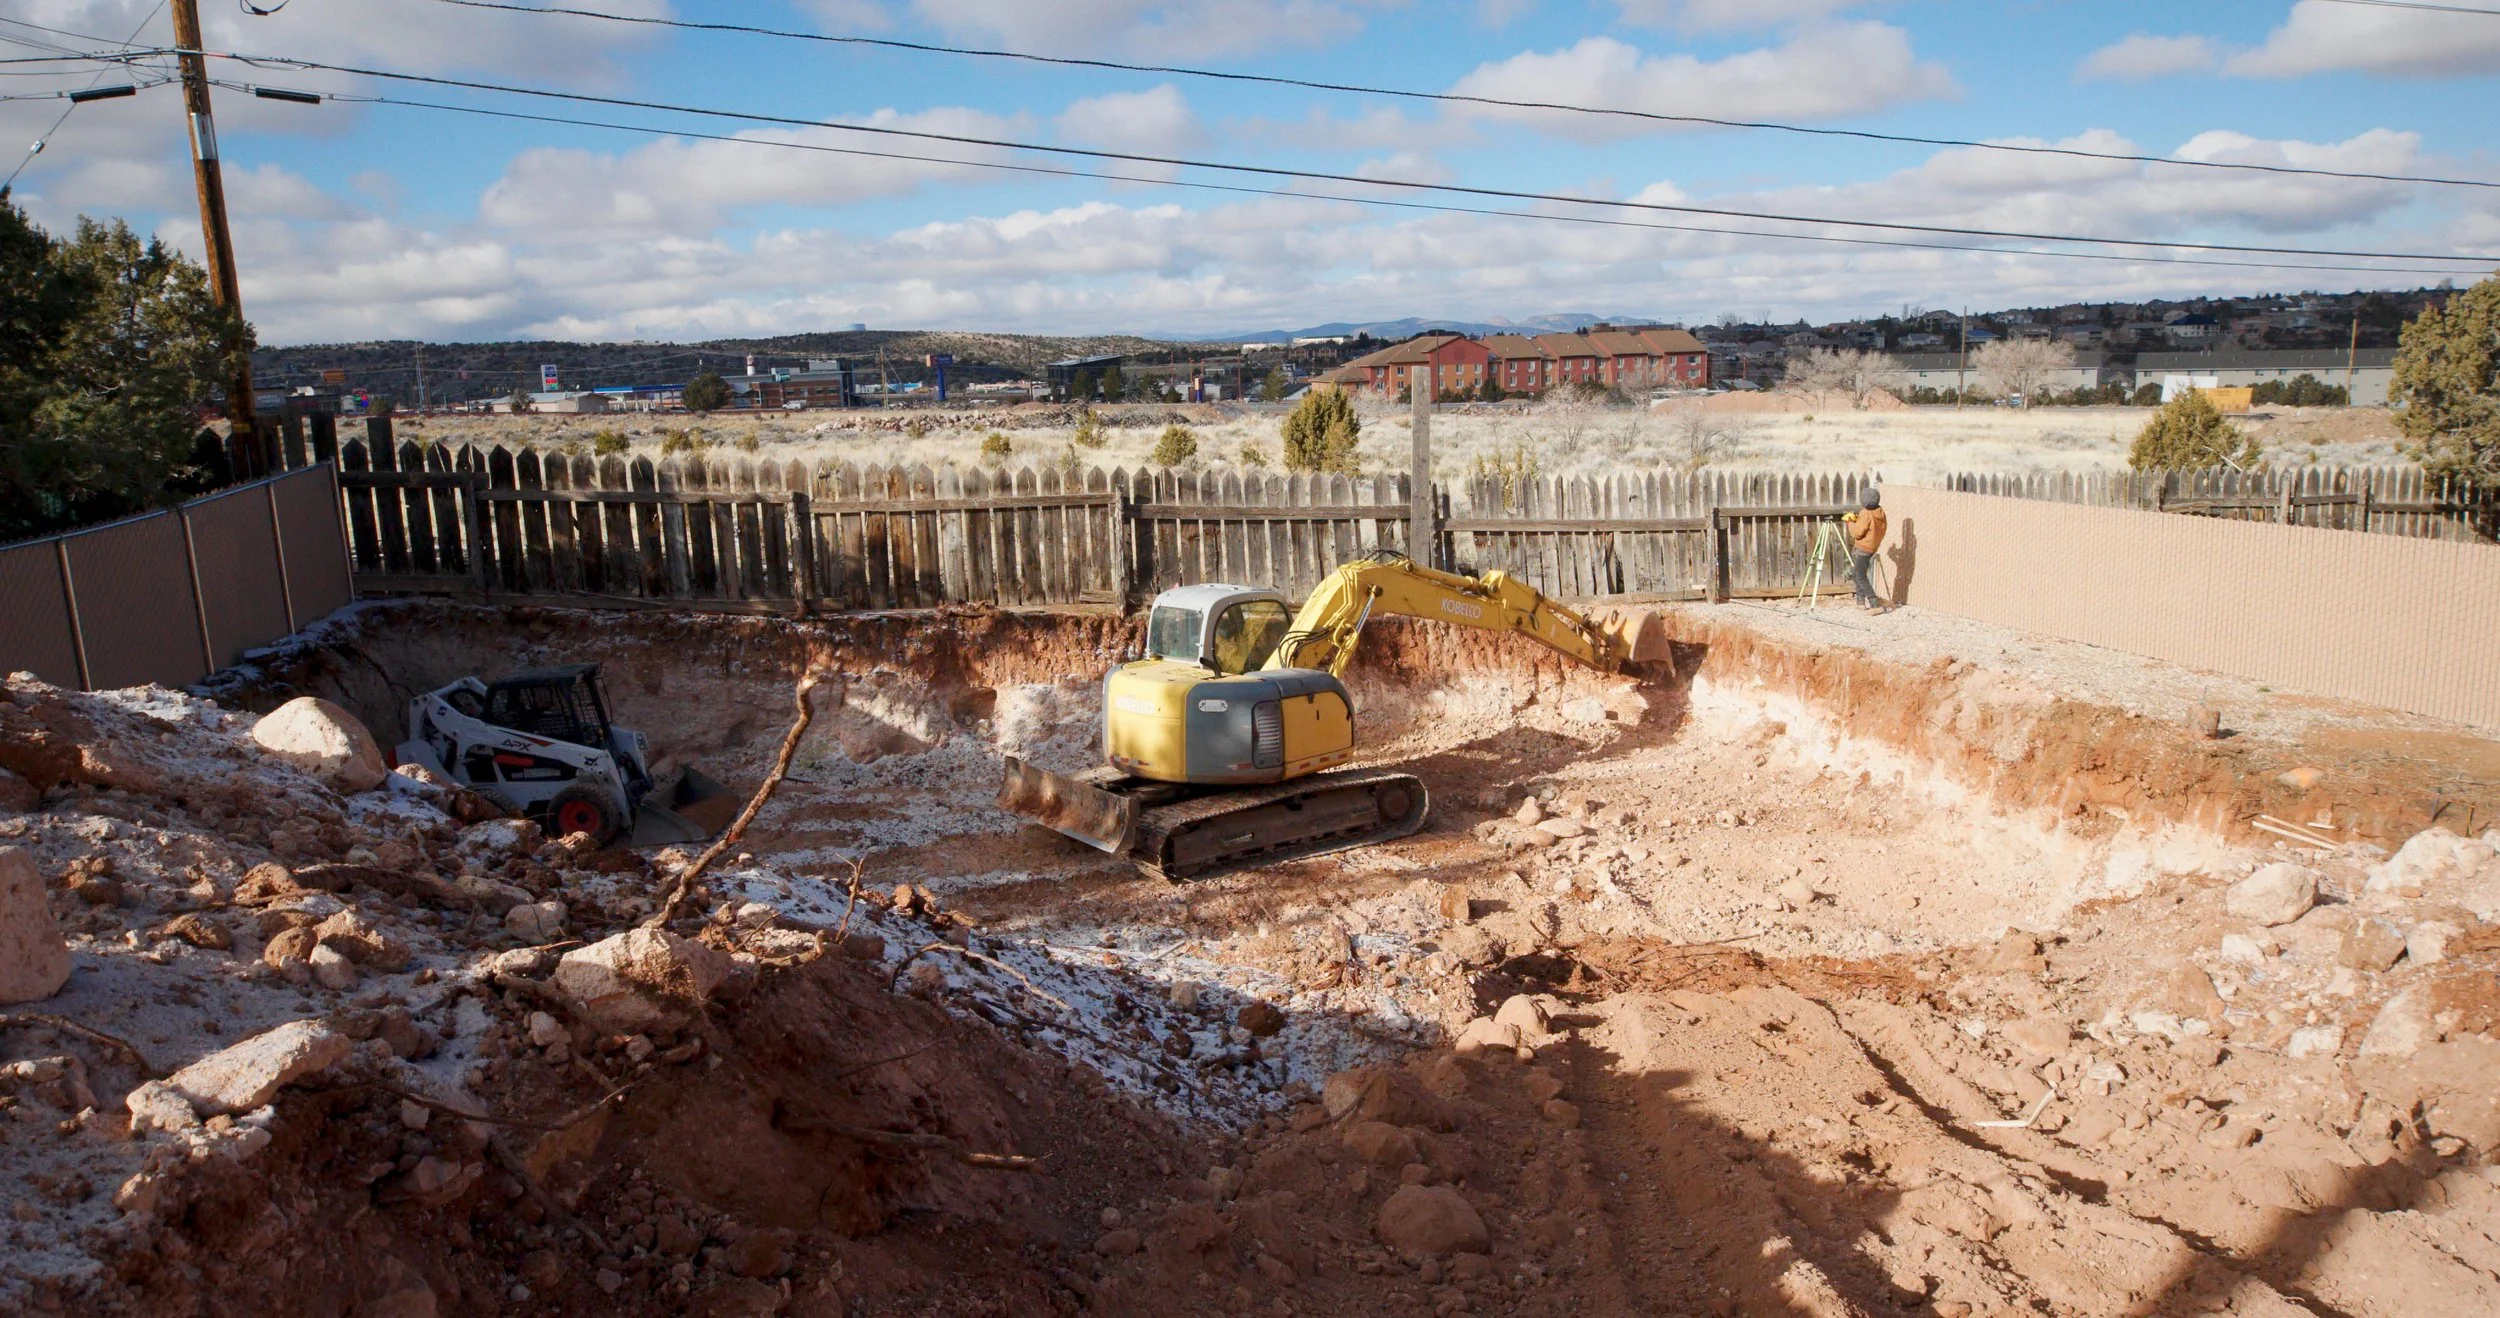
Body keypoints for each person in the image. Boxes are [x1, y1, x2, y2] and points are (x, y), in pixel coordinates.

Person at [1846, 487, 1887, 610]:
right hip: (1871, 547)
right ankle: (1860, 602)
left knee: (1860, 576)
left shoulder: (1866, 513)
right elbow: (1870, 527)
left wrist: (1849, 522)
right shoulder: (1880, 512)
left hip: (1862, 549)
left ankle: (1874, 603)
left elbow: (1857, 533)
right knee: (1857, 573)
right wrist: (1857, 520)